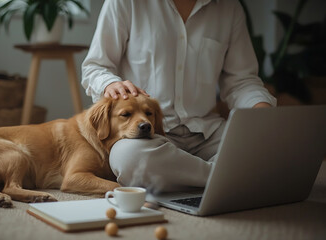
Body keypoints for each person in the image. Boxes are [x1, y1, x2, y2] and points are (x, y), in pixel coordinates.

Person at [81, 0, 276, 193]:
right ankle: (227, 176)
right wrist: (110, 83)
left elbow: (241, 81)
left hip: (209, 133)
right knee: (128, 158)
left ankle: (189, 178)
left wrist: (262, 110)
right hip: (150, 137)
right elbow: (96, 67)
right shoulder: (126, 2)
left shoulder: (229, 8)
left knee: (267, 148)